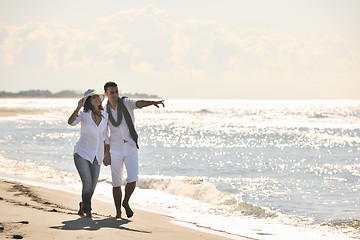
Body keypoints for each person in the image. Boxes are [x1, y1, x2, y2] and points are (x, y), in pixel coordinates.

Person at [103, 81, 164, 218]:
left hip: (130, 147)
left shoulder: (126, 103)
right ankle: (118, 212)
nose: (115, 95)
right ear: (106, 94)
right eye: (111, 92)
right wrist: (105, 153)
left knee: (132, 178)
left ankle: (126, 202)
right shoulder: (105, 111)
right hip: (115, 149)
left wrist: (152, 102)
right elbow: (104, 134)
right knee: (116, 182)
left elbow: (139, 103)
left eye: (116, 91)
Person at [68, 89, 109, 219]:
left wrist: (107, 154)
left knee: (92, 186)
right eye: (93, 97)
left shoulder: (104, 115)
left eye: (98, 97)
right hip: (81, 153)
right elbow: (71, 122)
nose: (97, 99)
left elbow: (106, 137)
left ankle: (83, 205)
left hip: (98, 155)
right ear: (88, 101)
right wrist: (78, 107)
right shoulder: (83, 114)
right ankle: (88, 211)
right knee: (87, 183)